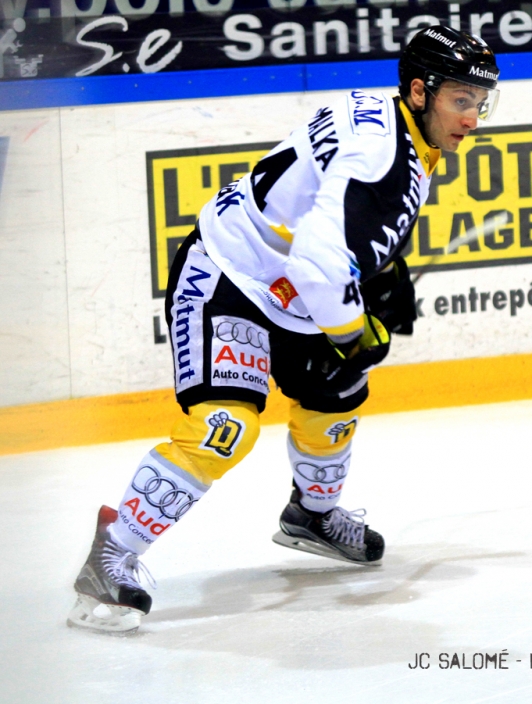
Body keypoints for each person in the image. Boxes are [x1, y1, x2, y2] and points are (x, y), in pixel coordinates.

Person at [67, 25, 500, 634]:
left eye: (481, 102)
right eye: (462, 100)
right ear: (421, 91)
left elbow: (326, 214)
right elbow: (319, 265)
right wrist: (353, 328)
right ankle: (114, 551)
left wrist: (379, 269)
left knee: (339, 387)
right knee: (226, 426)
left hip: (288, 290)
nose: (473, 118)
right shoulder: (388, 159)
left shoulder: (388, 119)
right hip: (230, 277)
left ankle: (314, 515)